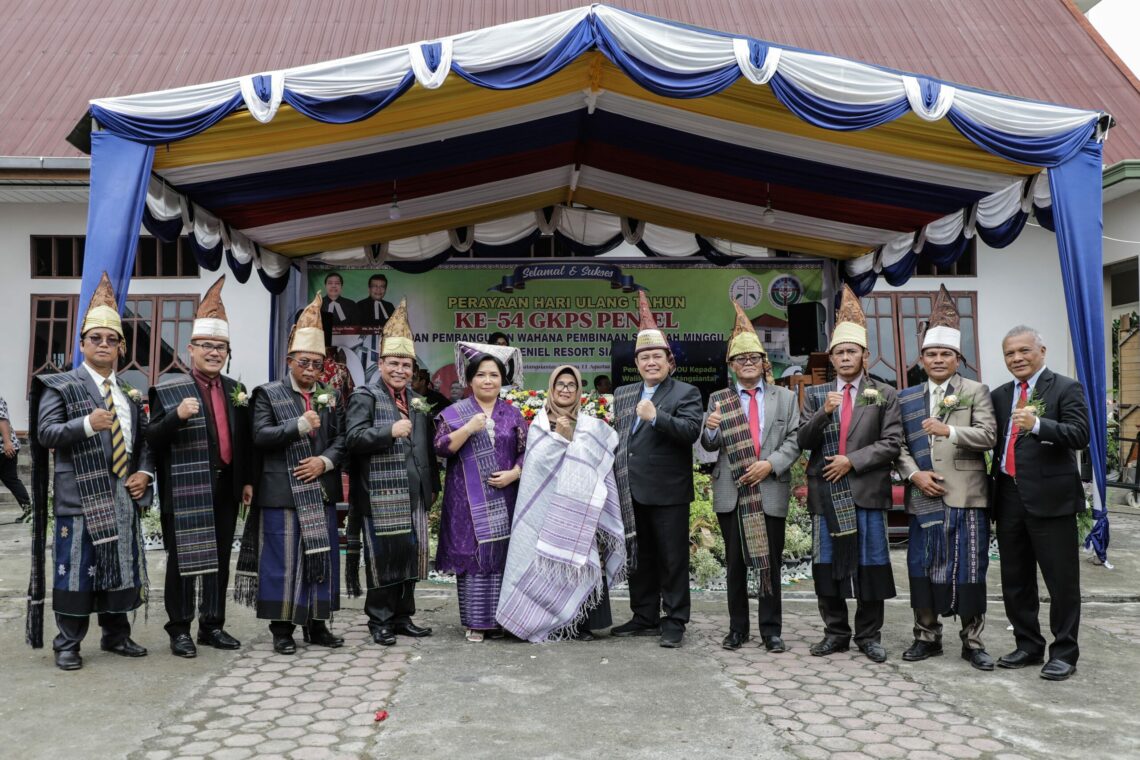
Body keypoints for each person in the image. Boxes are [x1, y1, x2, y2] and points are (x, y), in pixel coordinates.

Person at [27, 272, 154, 670]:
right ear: (81, 344)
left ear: (121, 347)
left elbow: (144, 443)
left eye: (111, 339)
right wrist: (86, 425)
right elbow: (45, 433)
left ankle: (116, 635)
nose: (104, 345)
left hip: (121, 493)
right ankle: (67, 644)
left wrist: (144, 474)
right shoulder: (60, 385)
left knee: (120, 566)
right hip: (80, 495)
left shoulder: (129, 391)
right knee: (77, 570)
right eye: (95, 338)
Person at [147, 276, 253, 658]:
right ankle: (179, 629)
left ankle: (212, 625)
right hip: (186, 488)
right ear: (190, 348)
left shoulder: (234, 391)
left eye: (220, 347)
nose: (214, 352)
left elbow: (242, 441)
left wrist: (245, 481)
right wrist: (175, 416)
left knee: (220, 560)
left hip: (226, 486)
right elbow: (152, 437)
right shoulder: (170, 389)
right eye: (206, 346)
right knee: (183, 561)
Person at [235, 294, 346, 655]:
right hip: (281, 493)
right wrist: (298, 426)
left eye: (317, 364)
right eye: (304, 363)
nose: (311, 370)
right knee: (282, 563)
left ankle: (317, 626)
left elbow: (342, 440)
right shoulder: (267, 394)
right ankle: (282, 630)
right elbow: (260, 436)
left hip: (320, 491)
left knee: (322, 558)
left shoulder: (330, 397)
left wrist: (325, 462)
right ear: (290, 361)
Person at [797, 285, 901, 663]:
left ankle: (869, 635)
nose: (844, 357)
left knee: (871, 564)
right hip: (826, 492)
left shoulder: (883, 394)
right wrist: (824, 411)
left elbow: (892, 443)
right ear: (832, 357)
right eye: (838, 352)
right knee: (827, 566)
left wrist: (851, 461)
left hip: (865, 490)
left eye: (851, 351)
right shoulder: (816, 394)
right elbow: (803, 440)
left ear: (864, 356)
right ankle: (835, 633)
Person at [895, 287, 997, 671]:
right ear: (921, 358)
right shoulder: (905, 397)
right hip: (924, 494)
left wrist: (949, 430)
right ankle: (927, 637)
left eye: (946, 355)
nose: (938, 360)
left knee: (971, 567)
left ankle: (973, 641)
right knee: (921, 565)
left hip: (967, 496)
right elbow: (898, 444)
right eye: (932, 354)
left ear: (958, 359)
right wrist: (914, 473)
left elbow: (988, 436)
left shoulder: (975, 391)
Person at [497, 365, 625, 642]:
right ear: (552, 389)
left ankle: (581, 624)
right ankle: (539, 621)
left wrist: (571, 440)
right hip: (545, 508)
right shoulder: (538, 426)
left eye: (571, 385)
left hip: (579, 507)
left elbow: (599, 467)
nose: (565, 390)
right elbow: (536, 469)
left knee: (581, 558)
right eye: (560, 385)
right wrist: (561, 439)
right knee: (545, 559)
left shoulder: (592, 427)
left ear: (579, 391)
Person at [701, 300, 801, 652]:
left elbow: (795, 439)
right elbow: (707, 448)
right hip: (732, 489)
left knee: (769, 563)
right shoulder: (718, 399)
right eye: (740, 359)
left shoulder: (785, 398)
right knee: (735, 564)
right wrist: (711, 430)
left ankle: (771, 630)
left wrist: (770, 464)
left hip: (769, 486)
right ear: (730, 365)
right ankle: (737, 629)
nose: (747, 364)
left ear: (764, 363)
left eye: (753, 358)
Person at [991, 325, 1089, 681]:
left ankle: (1064, 652)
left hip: (1052, 499)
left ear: (1041, 351)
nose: (1017, 358)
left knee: (1061, 581)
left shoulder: (1065, 388)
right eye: (1009, 353)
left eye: (1023, 351)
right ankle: (1028, 644)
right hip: (1008, 494)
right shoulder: (1001, 395)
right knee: (1015, 578)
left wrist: (1037, 425)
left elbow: (1080, 435)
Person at [610, 291, 702, 648]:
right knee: (640, 556)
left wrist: (657, 417)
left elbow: (690, 432)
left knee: (672, 559)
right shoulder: (624, 393)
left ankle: (675, 619)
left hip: (668, 492)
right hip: (631, 490)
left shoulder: (685, 393)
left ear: (669, 361)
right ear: (637, 362)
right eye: (644, 357)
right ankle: (644, 615)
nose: (651, 362)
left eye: (657, 357)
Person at [345, 300, 438, 646]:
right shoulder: (365, 396)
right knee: (384, 559)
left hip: (414, 492)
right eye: (394, 363)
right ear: (380, 363)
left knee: (410, 557)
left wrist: (432, 486)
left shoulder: (417, 399)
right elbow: (352, 439)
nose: (400, 370)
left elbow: (426, 448)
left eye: (406, 364)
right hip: (381, 494)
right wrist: (387, 432)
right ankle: (380, 620)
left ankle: (403, 616)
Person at [434, 341, 527, 642]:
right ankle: (476, 622)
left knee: (501, 558)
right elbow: (441, 449)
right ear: (470, 380)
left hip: (506, 497)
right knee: (473, 559)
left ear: (503, 379)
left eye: (494, 375)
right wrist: (468, 428)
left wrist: (515, 472)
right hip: (466, 499)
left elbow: (528, 453)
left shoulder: (513, 415)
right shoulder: (454, 413)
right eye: (482, 375)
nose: (488, 380)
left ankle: (502, 619)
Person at [0, 394, 30, 523]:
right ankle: (29, 512)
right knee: (11, 479)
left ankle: (29, 512)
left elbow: (2, 420)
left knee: (11, 479)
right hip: (5, 446)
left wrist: (7, 442)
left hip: (3, 447)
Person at [320, 272, 357, 340]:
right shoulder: (318, 304)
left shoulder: (351, 304)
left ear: (341, 286)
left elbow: (355, 327)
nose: (333, 286)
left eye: (337, 283)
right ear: (325, 286)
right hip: (322, 342)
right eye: (330, 283)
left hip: (347, 342)